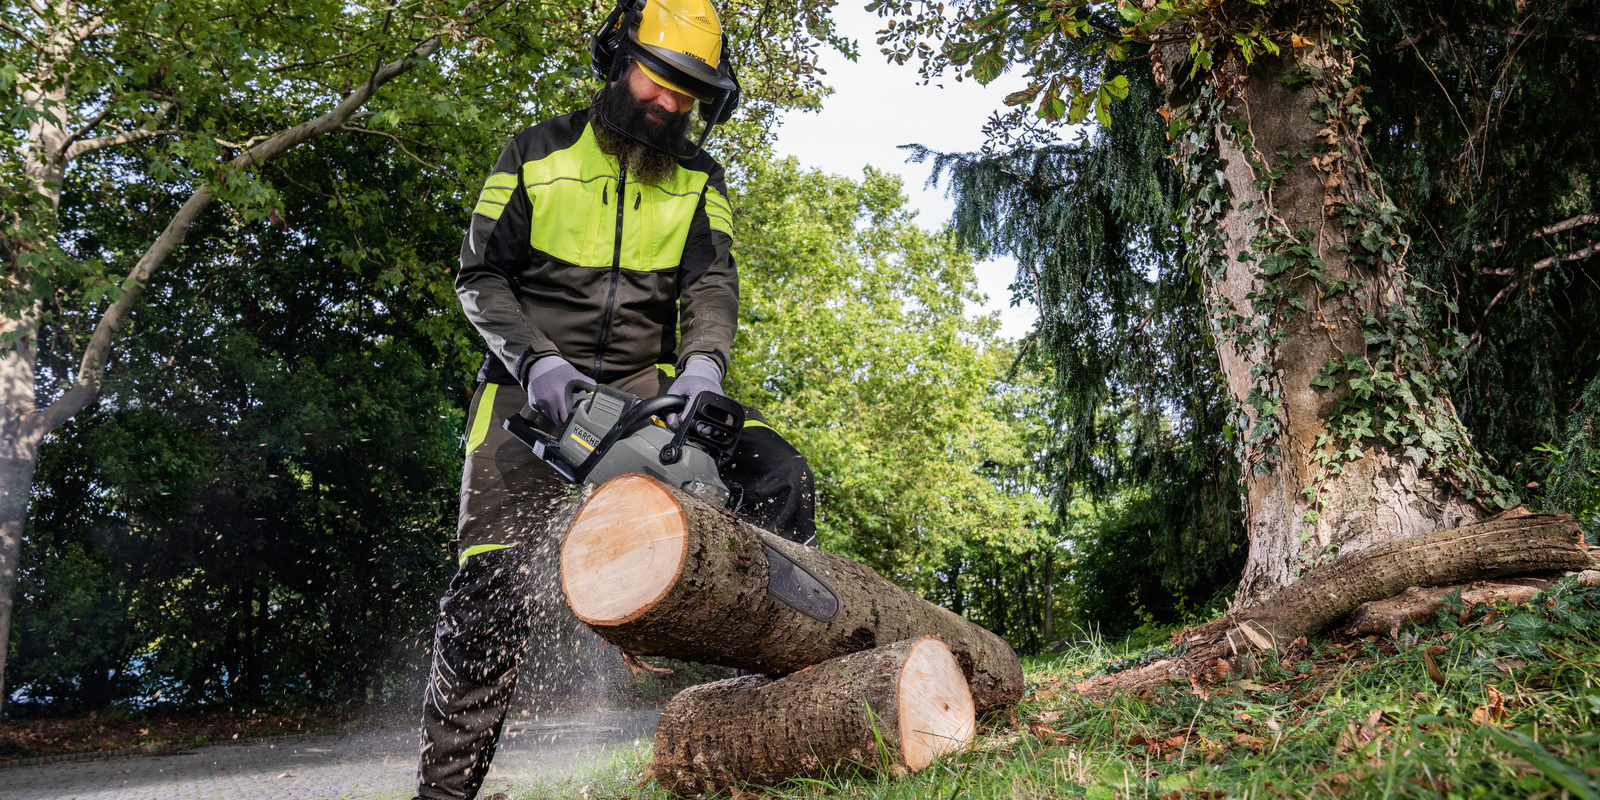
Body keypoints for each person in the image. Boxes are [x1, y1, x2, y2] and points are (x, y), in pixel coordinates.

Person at [413, 1, 815, 798]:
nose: (669, 102)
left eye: (688, 92)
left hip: (643, 386)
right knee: (487, 593)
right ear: (616, 60)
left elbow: (710, 283)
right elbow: (479, 277)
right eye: (657, 80)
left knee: (779, 474)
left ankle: (791, 705)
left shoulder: (701, 179)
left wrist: (701, 368)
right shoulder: (533, 152)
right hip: (524, 393)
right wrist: (537, 363)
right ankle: (445, 790)